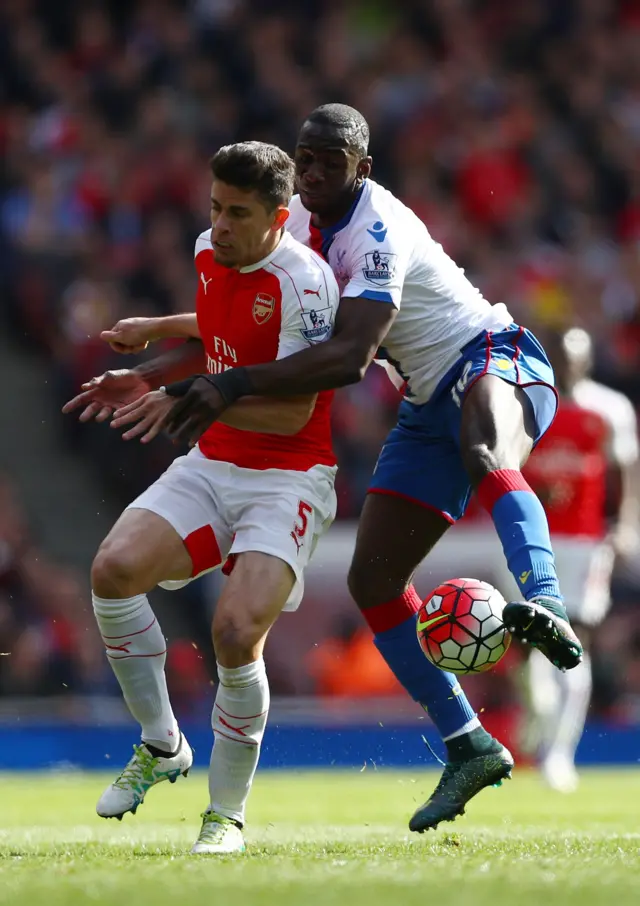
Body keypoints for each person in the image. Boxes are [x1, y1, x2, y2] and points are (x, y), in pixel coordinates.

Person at [67, 105, 583, 834]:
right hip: (425, 399)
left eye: (328, 163)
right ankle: (468, 742)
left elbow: (350, 356)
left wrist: (228, 387)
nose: (312, 174)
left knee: (486, 450)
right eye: (303, 160)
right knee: (374, 582)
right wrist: (158, 352)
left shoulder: (380, 230)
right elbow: (245, 328)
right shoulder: (297, 227)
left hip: (490, 357)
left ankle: (548, 604)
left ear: (362, 169)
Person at [64, 141, 340, 854]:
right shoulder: (207, 252)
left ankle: (226, 815)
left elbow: (290, 411)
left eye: (238, 213)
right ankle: (161, 744)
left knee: (236, 631)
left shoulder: (305, 285)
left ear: (280, 217)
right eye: (215, 207)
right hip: (215, 461)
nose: (219, 225)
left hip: (289, 476)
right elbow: (223, 334)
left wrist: (177, 395)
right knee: (113, 571)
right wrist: (157, 338)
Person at [521, 328, 639, 792]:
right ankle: (539, 718)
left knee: (577, 637)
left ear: (587, 361)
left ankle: (559, 754)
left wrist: (626, 525)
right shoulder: (528, 404)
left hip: (586, 543)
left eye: (574, 358)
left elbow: (625, 468)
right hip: (530, 539)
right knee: (531, 642)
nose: (566, 366)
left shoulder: (609, 408)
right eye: (559, 357)